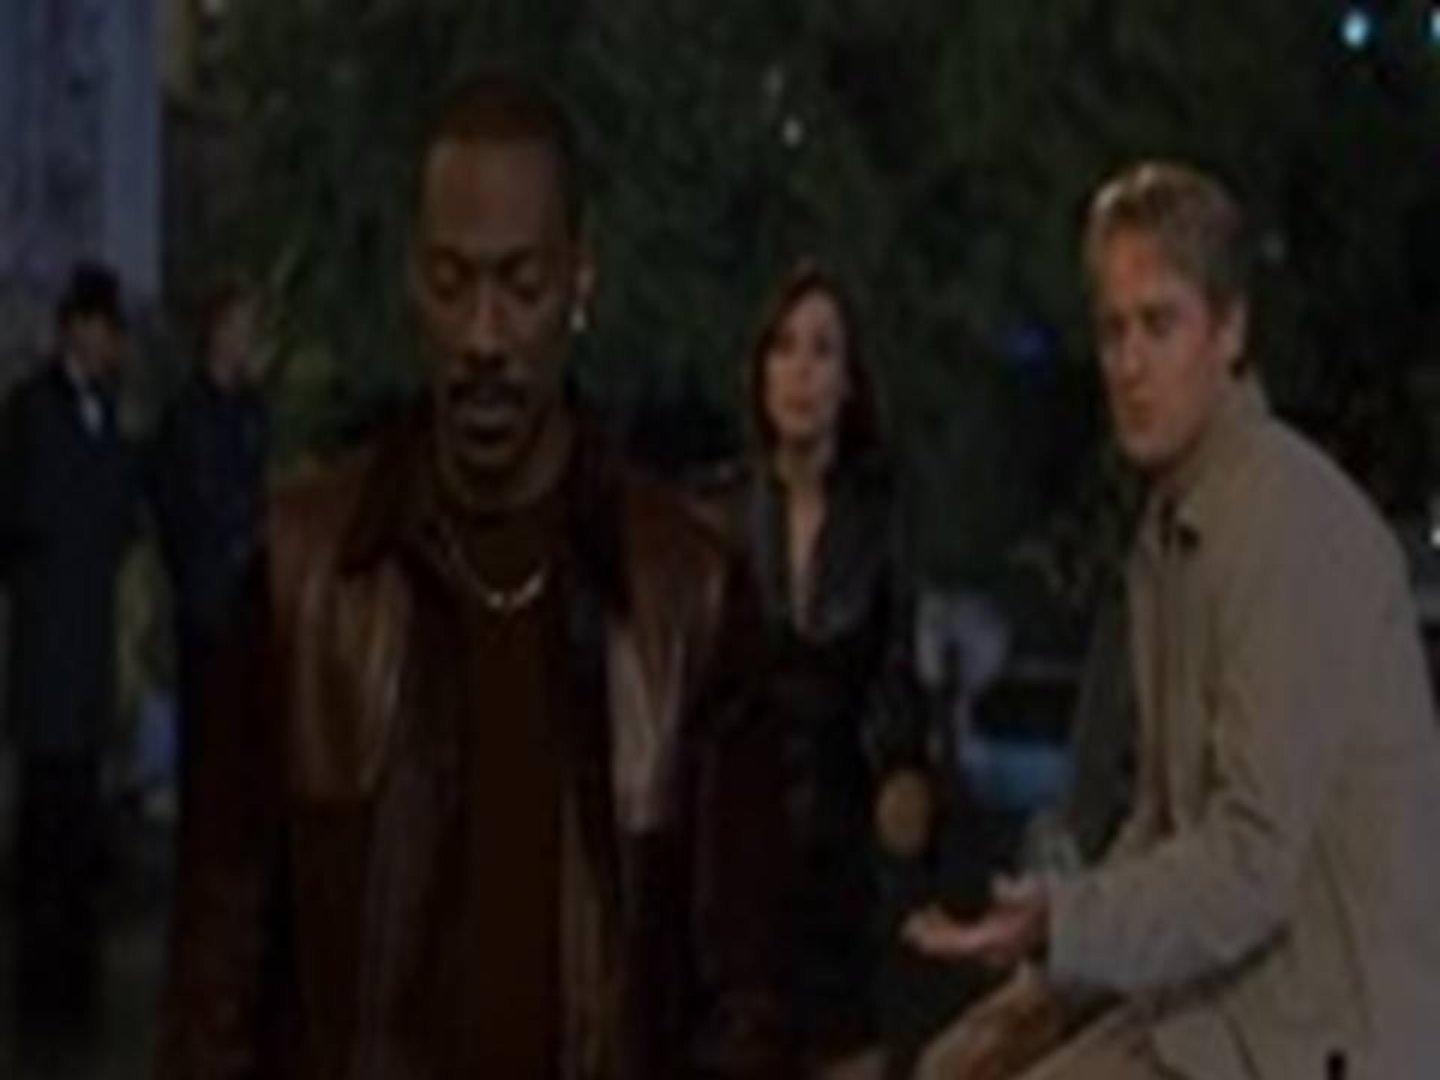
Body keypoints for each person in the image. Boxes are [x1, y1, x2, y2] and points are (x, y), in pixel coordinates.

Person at [160, 72, 790, 1078]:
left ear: (581, 281)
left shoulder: (690, 593)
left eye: (521, 286)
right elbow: (215, 979)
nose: (484, 337)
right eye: (452, 285)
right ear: (414, 284)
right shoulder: (298, 575)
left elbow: (743, 997)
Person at [905, 162, 1440, 1078]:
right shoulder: (1173, 528)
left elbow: (1248, 865)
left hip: (1320, 1034)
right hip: (1230, 1007)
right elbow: (1162, 827)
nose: (1128, 365)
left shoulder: (1285, 524)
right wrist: (1048, 979)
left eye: (1159, 325)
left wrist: (1064, 925)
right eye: (1113, 331)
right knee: (956, 1064)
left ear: (1230, 331)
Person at [702, 260, 934, 1079]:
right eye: (784, 348)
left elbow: (898, 678)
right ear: (761, 371)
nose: (800, 371)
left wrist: (905, 777)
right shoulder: (717, 515)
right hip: (734, 851)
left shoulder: (881, 517)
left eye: (822, 350)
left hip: (842, 847)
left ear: (848, 382)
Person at [0, 261, 141, 1058]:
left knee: (79, 831)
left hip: (86, 653)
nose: (112, 343)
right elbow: (20, 513)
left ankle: (75, 998)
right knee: (44, 835)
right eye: (103, 328)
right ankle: (38, 1005)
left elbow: (120, 515)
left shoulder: (108, 415)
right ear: (75, 330)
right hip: (47, 649)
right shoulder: (31, 410)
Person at [151, 282, 270, 803]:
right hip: (206, 597)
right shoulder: (187, 415)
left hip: (248, 595)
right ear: (217, 335)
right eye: (240, 328)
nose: (248, 339)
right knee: (206, 734)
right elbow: (181, 503)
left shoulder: (252, 411)